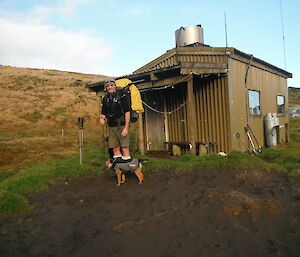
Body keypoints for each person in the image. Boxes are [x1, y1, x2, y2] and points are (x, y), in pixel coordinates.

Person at [100, 79, 132, 161]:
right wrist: (102, 119)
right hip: (111, 126)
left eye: (111, 85)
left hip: (122, 125)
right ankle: (118, 169)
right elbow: (103, 112)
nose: (110, 87)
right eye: (107, 86)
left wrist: (126, 128)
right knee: (115, 148)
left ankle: (127, 168)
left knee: (125, 148)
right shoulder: (105, 99)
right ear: (106, 88)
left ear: (115, 86)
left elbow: (127, 112)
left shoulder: (122, 96)